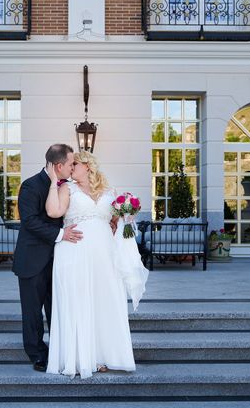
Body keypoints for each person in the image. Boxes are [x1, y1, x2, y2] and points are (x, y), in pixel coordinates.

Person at [45, 151, 146, 379]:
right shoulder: (66, 188)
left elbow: (114, 222)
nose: (71, 168)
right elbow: (54, 211)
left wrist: (126, 216)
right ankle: (82, 358)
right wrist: (53, 182)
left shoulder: (110, 192)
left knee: (104, 300)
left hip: (105, 255)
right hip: (74, 252)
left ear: (87, 166)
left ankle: (105, 356)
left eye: (75, 165)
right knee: (79, 300)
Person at [12, 144, 83, 372]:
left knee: (57, 309)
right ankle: (37, 355)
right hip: (32, 260)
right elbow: (30, 221)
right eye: (71, 163)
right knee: (32, 313)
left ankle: (59, 351)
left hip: (60, 260)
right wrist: (61, 234)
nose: (73, 167)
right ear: (58, 165)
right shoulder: (31, 185)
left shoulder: (69, 186)